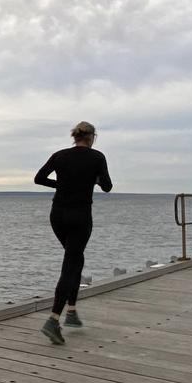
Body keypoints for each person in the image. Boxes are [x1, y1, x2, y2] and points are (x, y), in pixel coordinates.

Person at [34, 121, 112, 345]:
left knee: (75, 258)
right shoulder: (97, 157)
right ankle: (53, 319)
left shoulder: (59, 155)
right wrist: (91, 180)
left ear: (74, 136)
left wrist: (63, 185)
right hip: (80, 217)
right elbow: (107, 186)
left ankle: (72, 312)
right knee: (71, 262)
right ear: (92, 137)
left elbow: (38, 178)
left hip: (57, 216)